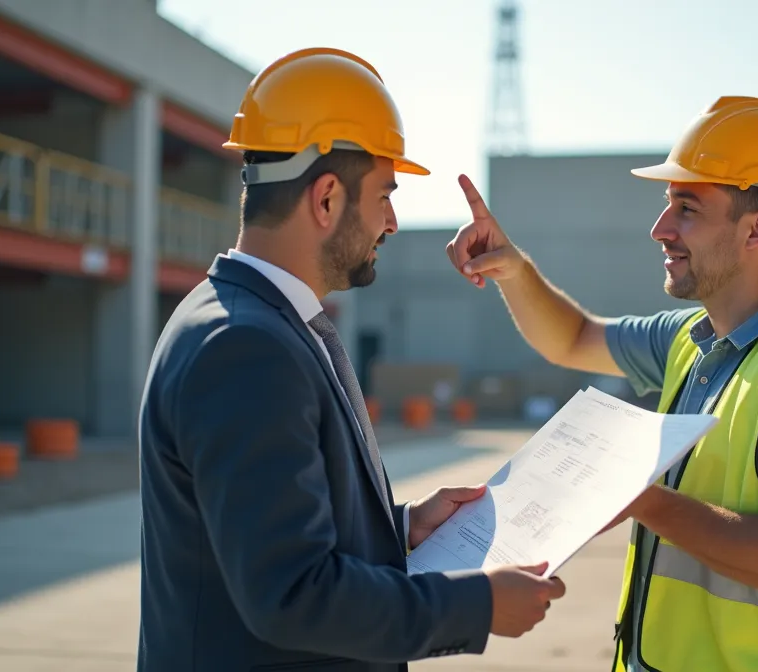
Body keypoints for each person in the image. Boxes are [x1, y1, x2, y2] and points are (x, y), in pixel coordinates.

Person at [137, 47, 565, 672]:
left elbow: (272, 536)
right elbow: (292, 594)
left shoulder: (257, 321)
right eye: (385, 195)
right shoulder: (246, 347)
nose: (392, 222)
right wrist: (477, 605)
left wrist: (401, 528)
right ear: (327, 199)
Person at [445, 96, 758, 671]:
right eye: (668, 206)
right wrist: (513, 270)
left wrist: (639, 497)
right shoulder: (691, 338)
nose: (660, 229)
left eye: (687, 208)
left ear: (757, 230)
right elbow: (573, 338)